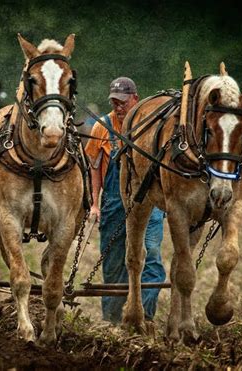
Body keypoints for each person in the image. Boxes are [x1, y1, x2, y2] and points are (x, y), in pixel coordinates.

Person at [84, 77, 166, 324]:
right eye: (114, 102)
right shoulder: (103, 126)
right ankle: (112, 320)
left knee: (150, 256)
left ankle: (145, 317)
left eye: (123, 102)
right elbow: (95, 169)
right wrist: (95, 203)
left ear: (135, 99)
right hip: (113, 202)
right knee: (113, 261)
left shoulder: (151, 126)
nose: (119, 107)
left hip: (148, 198)